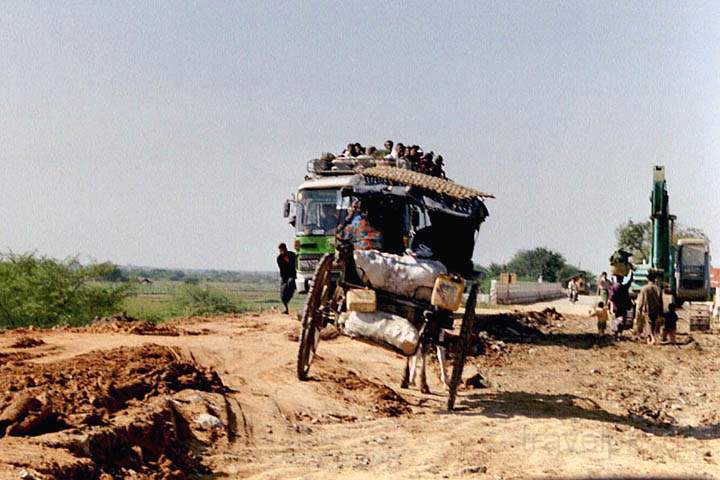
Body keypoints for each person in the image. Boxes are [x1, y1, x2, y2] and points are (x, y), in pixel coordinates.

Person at [634, 271, 663, 344]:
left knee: (648, 323)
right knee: (653, 324)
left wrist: (639, 310)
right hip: (656, 309)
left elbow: (641, 301)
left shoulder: (644, 289)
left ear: (647, 279)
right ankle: (650, 338)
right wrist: (661, 312)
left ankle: (652, 338)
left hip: (647, 309)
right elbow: (661, 302)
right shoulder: (658, 289)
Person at [609, 273, 633, 339]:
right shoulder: (623, 287)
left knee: (616, 319)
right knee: (622, 319)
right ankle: (619, 333)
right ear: (622, 279)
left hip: (616, 306)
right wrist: (631, 275)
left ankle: (616, 333)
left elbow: (611, 298)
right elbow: (629, 283)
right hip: (622, 306)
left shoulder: (613, 287)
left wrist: (611, 306)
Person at [276, 243, 297, 315]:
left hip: (293, 276)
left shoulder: (292, 255)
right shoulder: (279, 258)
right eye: (280, 250)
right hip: (284, 277)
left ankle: (287, 303)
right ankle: (286, 309)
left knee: (290, 287)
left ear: (285, 249)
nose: (281, 251)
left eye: (282, 249)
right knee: (282, 294)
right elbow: (282, 269)